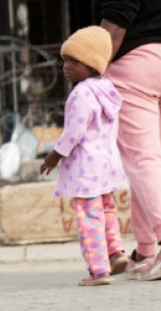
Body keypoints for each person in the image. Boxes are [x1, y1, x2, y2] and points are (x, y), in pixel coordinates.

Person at [92, 0, 161, 281]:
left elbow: (115, 22)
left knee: (141, 158)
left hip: (134, 64)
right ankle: (147, 250)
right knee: (148, 159)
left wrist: (91, 69)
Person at [40, 26, 128, 286]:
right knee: (108, 211)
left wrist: (54, 156)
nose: (66, 66)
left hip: (87, 170)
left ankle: (99, 270)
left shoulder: (81, 94)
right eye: (65, 60)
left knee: (89, 218)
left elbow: (73, 132)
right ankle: (115, 253)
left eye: (74, 61)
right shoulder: (106, 89)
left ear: (92, 65)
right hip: (108, 165)